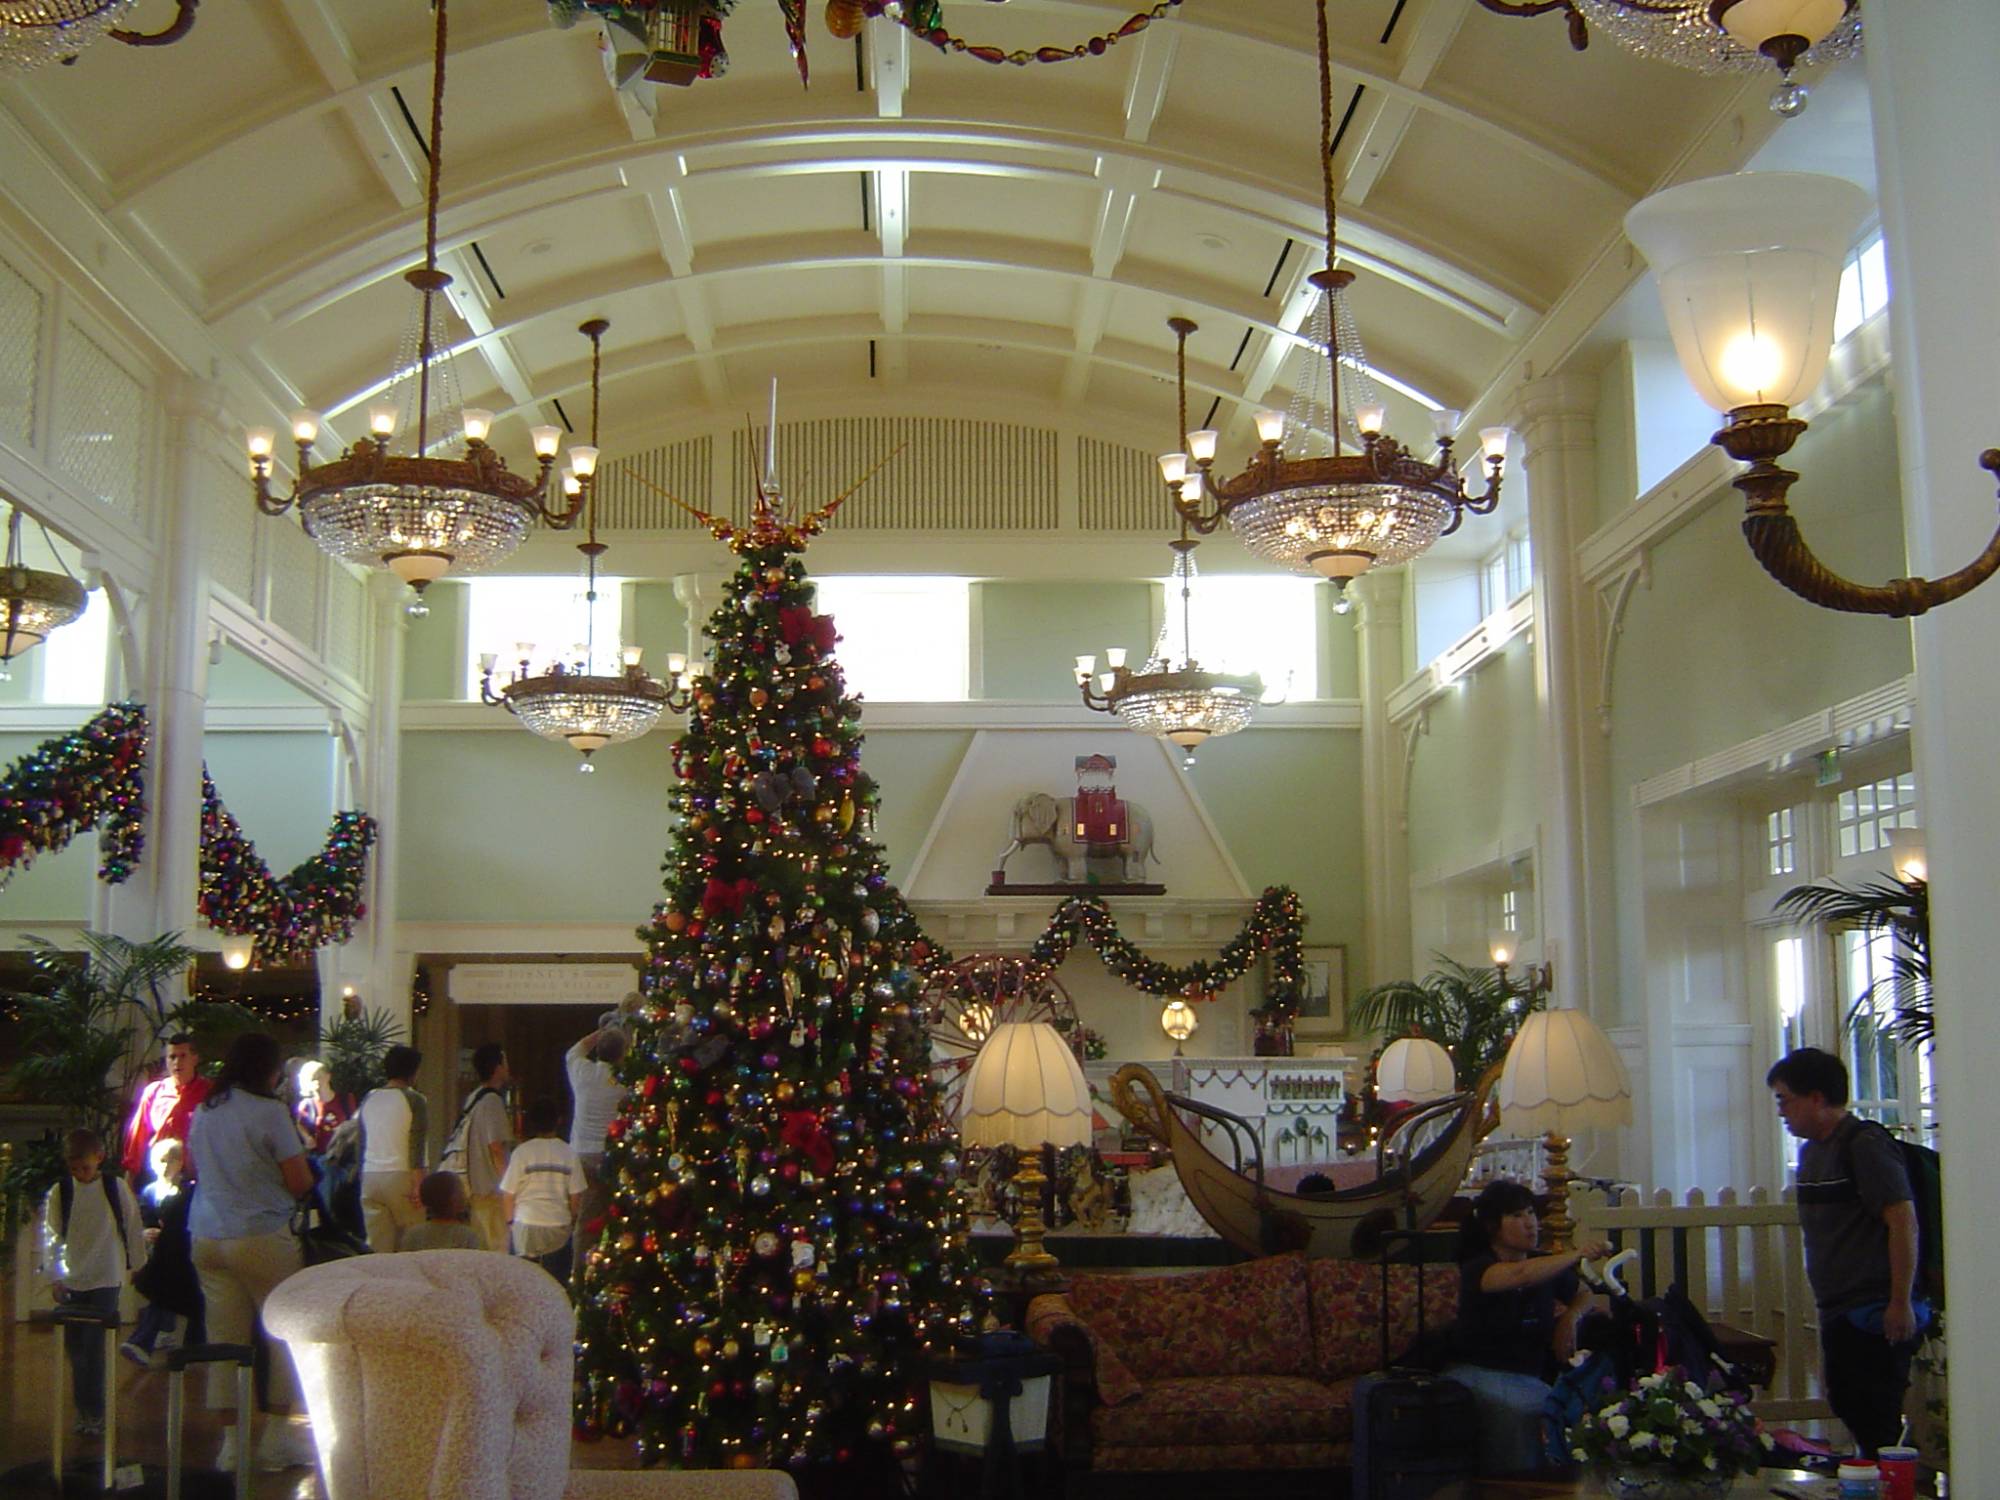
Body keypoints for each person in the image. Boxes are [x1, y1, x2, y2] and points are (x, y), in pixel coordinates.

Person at [1769, 1046, 1927, 1457]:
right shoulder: (1811, 1153)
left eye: (1786, 1099)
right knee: (1847, 1400)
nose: (1782, 1111)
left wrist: (1899, 1301)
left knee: (1875, 1412)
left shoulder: (1865, 1146)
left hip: (1873, 1308)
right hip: (1837, 1305)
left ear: (1817, 1098)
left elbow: (1902, 1221)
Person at [185, 1031, 317, 1472]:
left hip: (206, 1235)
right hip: (261, 1235)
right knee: (284, 1334)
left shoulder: (205, 1110)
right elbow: (298, 1181)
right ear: (268, 1068)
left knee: (224, 1340)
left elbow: (191, 1168)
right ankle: (278, 1440)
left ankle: (232, 1446)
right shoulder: (270, 1111)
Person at [1441, 1179, 1608, 1476]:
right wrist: (1576, 1254)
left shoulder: (1544, 1266)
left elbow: (1585, 1293)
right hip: (1479, 1370)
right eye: (1517, 1216)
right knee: (1525, 1410)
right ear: (1493, 1226)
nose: (1530, 1224)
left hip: (1528, 1375)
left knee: (1576, 1406)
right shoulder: (1478, 1267)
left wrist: (1571, 1317)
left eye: (1531, 1213)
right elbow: (1521, 1274)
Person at [39, 1127, 145, 1437]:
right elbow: (52, 1236)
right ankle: (83, 1410)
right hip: (74, 1279)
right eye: (74, 1169)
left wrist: (137, 1266)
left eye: (85, 1167)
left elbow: (133, 1224)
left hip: (106, 1277)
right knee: (76, 1351)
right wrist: (56, 1277)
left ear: (99, 1158)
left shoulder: (116, 1189)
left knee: (95, 1349)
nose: (80, 1173)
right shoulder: (61, 1192)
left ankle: (95, 1412)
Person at [500, 1097, 588, 1285]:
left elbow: (508, 1194)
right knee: (556, 1284)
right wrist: (571, 1220)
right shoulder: (569, 1153)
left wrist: (510, 1223)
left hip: (526, 1225)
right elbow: (576, 1196)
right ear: (559, 1120)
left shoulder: (521, 1152)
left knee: (523, 1284)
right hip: (558, 1226)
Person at [122, 1135, 188, 1367]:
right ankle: (162, 1328)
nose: (165, 1166)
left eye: (170, 1161)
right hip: (157, 1252)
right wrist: (145, 1233)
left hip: (181, 1252)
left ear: (181, 1162)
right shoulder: (150, 1192)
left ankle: (145, 1339)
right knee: (160, 1283)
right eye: (160, 1161)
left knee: (164, 1284)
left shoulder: (186, 1190)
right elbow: (143, 1219)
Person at [441, 1042, 513, 1252]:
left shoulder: (473, 1097)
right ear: (497, 1066)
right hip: (489, 1190)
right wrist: (508, 1185)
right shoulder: (492, 1101)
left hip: (472, 1187)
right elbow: (496, 1147)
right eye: (505, 1062)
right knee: (496, 1249)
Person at [356, 1044, 428, 1253]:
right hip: (401, 1175)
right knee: (411, 1245)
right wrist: (419, 1183)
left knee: (378, 1247)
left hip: (370, 1176)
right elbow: (417, 1143)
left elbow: (361, 1142)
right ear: (413, 1071)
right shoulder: (415, 1099)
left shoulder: (369, 1098)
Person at [566, 1022, 629, 1235]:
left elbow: (575, 1050)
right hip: (611, 1152)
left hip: (582, 1153)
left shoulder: (582, 1072)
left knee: (586, 1215)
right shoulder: (624, 1081)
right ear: (621, 1054)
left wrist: (600, 1033)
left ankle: (580, 1265)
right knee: (616, 1211)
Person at [122, 1033, 211, 1186]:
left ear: (194, 1059)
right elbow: (138, 1134)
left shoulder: (209, 1092)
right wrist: (129, 1178)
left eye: (183, 1056)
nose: (177, 1062)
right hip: (159, 1170)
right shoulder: (155, 1092)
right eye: (172, 1057)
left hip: (196, 1174)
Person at [399, 1171, 484, 1251]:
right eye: (462, 1191)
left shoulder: (412, 1235)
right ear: (454, 1200)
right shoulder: (469, 1237)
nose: (465, 1196)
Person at [293, 1058, 348, 1154]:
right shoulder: (307, 1105)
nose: (317, 1081)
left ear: (328, 1076)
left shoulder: (346, 1100)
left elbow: (355, 1124)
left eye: (319, 1076)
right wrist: (307, 1138)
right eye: (312, 1078)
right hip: (321, 1158)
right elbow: (300, 1125)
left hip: (345, 1157)